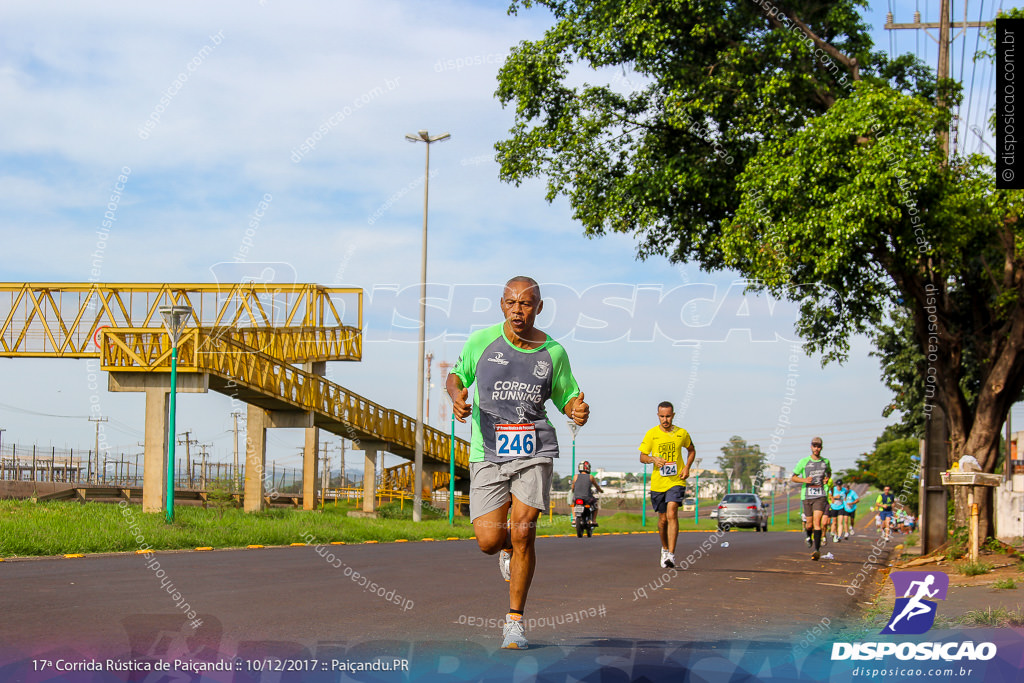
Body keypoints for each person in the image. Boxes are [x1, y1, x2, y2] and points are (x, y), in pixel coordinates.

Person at [447, 276, 589, 650]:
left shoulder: (553, 352)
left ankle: (514, 623)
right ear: (501, 305)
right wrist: (457, 395)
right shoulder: (481, 341)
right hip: (488, 452)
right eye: (511, 302)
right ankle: (506, 546)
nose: (518, 309)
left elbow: (567, 397)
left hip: (534, 449)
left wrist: (577, 409)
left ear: (539, 307)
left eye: (526, 303)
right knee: (488, 540)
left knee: (524, 530)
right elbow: (456, 376)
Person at [638, 401, 696, 569]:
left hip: (676, 481)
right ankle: (664, 549)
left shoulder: (681, 433)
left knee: (672, 513)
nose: (665, 420)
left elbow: (691, 450)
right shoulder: (652, 434)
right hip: (658, 483)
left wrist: (687, 467)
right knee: (662, 520)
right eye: (662, 416)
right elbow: (642, 456)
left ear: (673, 415)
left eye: (668, 416)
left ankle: (671, 554)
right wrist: (653, 459)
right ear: (658, 415)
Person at [791, 437, 832, 561]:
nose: (816, 448)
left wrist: (826, 479)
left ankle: (817, 550)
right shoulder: (804, 462)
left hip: (820, 495)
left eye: (818, 446)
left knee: (817, 522)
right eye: (814, 446)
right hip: (807, 496)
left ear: (821, 447)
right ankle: (809, 536)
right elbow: (793, 477)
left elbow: (829, 473)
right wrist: (804, 480)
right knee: (809, 525)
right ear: (811, 447)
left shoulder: (825, 461)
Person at [570, 460, 603, 525]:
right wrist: (601, 491)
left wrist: (573, 491)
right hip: (587, 498)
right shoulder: (591, 477)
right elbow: (597, 487)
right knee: (595, 504)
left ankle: (574, 519)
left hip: (577, 497)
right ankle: (593, 520)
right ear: (588, 468)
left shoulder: (575, 476)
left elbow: (573, 488)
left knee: (573, 504)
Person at [828, 478, 845, 543]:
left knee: (840, 522)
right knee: (834, 522)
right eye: (838, 485)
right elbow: (829, 496)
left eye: (840, 485)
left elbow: (846, 495)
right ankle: (835, 534)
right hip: (834, 507)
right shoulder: (833, 489)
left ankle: (839, 536)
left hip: (841, 507)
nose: (839, 487)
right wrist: (835, 497)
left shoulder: (844, 490)